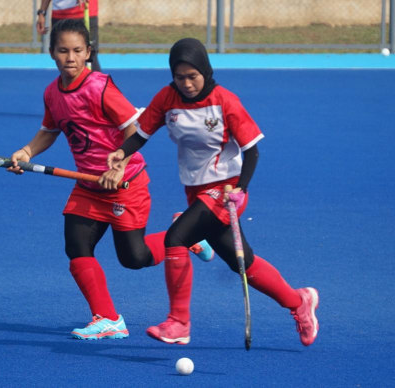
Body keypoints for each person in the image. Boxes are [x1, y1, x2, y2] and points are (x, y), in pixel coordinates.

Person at [107, 37, 320, 347]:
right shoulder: (167, 98)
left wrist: (241, 188)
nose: (187, 84)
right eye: (180, 77)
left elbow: (252, 152)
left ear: (205, 71)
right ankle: (299, 301)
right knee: (242, 263)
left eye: (193, 76)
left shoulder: (225, 101)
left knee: (175, 238)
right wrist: (122, 153)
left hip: (227, 191)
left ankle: (179, 323)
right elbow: (141, 134)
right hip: (195, 192)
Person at [8, 21, 213, 340]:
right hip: (89, 187)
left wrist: (119, 166)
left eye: (78, 51)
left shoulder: (100, 87)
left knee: (134, 258)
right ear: (51, 54)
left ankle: (188, 234)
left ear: (89, 53)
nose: (71, 58)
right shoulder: (52, 93)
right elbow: (50, 131)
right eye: (63, 51)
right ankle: (108, 318)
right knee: (76, 246)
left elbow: (136, 128)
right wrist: (25, 151)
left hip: (125, 185)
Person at [36, 0, 101, 71]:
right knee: (63, 59)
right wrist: (42, 12)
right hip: (59, 13)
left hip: (82, 11)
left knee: (90, 58)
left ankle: (96, 82)